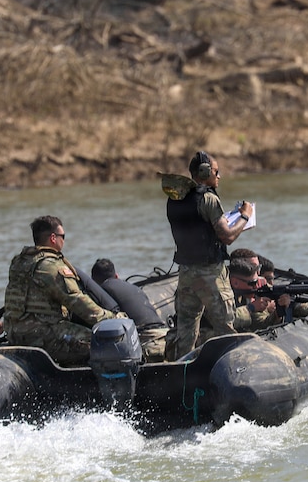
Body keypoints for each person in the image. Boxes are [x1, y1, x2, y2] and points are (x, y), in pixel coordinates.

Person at [165, 150, 254, 359]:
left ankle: (181, 373)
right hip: (211, 275)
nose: (219, 176)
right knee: (226, 328)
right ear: (204, 172)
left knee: (185, 331)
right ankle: (232, 370)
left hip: (186, 274)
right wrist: (244, 216)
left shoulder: (174, 199)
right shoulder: (208, 200)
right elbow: (227, 236)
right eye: (216, 171)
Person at [2, 215, 123, 367]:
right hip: (41, 335)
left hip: (15, 334)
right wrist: (112, 319)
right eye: (63, 236)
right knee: (103, 342)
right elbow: (77, 301)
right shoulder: (51, 266)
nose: (64, 240)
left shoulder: (19, 262)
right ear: (53, 238)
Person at [91, 258, 169, 362]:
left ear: (93, 282)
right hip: (165, 336)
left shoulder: (101, 292)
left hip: (148, 342)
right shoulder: (133, 287)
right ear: (116, 276)